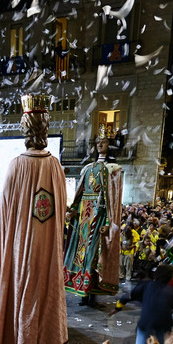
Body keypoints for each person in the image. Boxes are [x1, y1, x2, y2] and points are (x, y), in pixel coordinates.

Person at [0, 94, 68, 344]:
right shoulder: (55, 166)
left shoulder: (16, 165)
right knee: (45, 286)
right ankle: (44, 336)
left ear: (25, 128)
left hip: (21, 246)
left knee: (23, 288)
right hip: (47, 246)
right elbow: (61, 210)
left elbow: (6, 214)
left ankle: (21, 339)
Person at [63, 129, 123, 305]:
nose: (100, 144)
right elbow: (80, 193)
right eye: (98, 142)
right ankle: (83, 292)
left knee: (94, 254)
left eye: (103, 142)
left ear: (109, 145)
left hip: (99, 216)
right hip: (84, 217)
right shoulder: (87, 169)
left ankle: (92, 290)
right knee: (81, 254)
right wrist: (73, 210)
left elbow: (112, 201)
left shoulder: (113, 170)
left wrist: (107, 222)